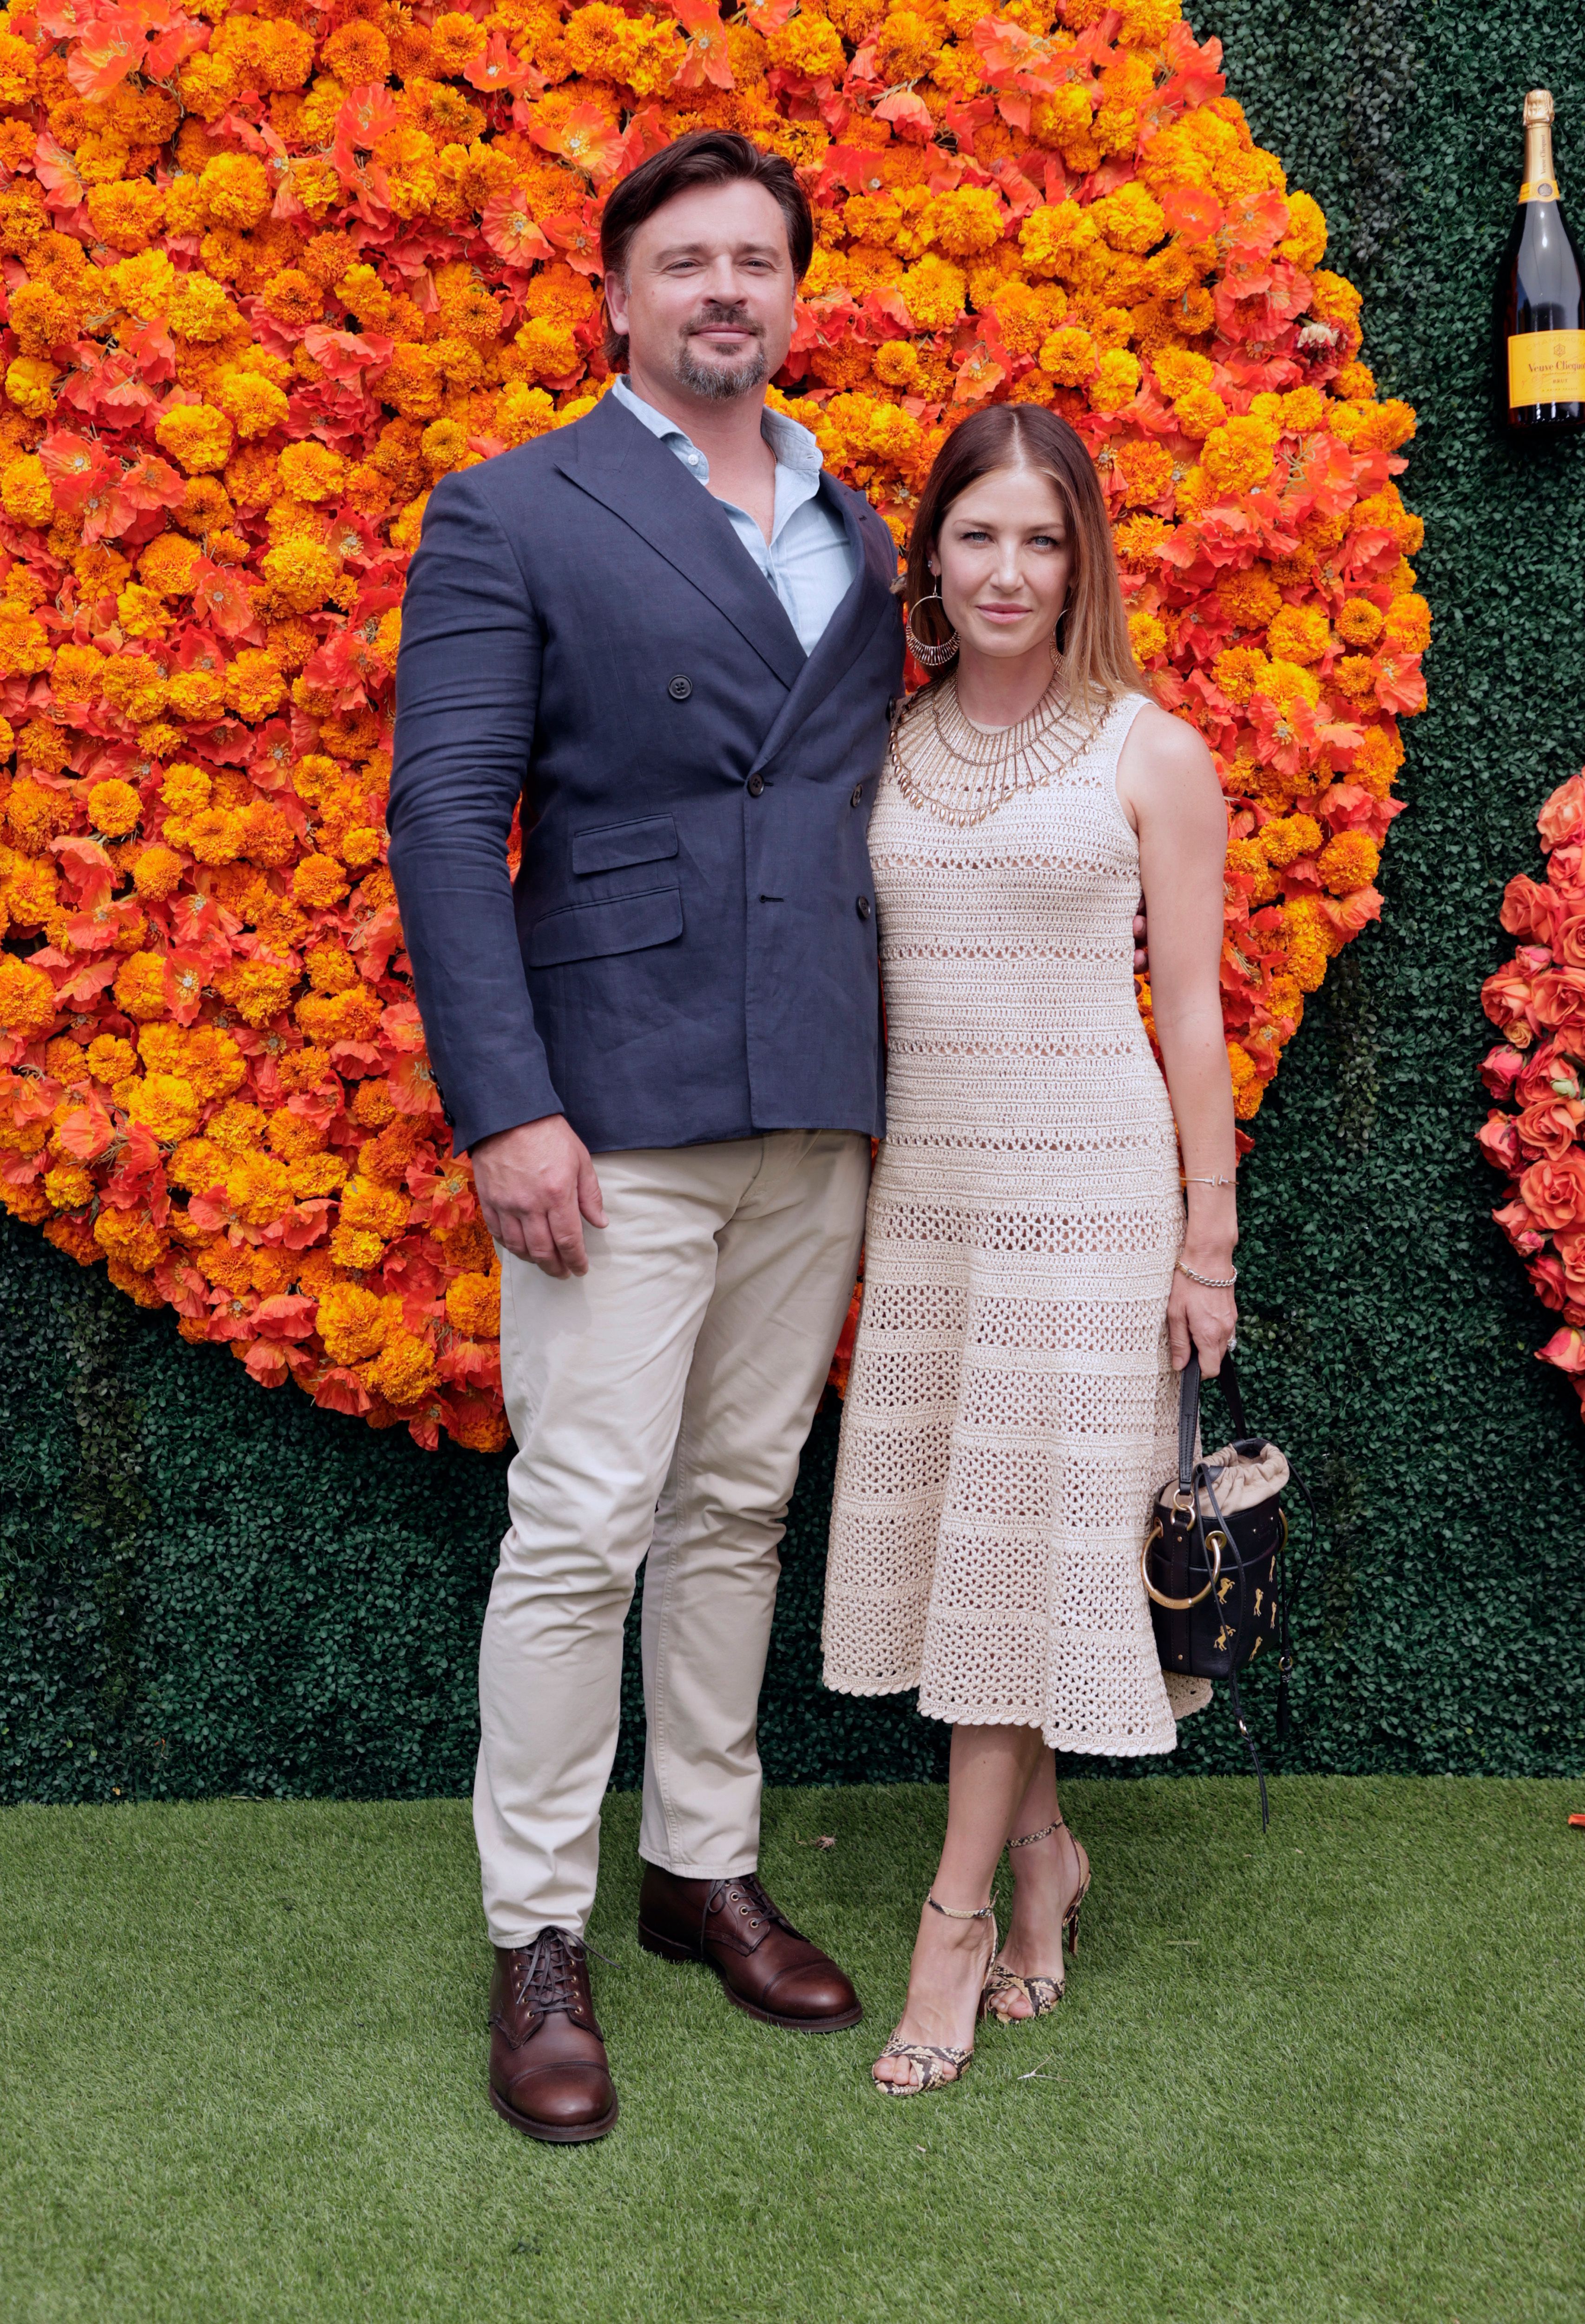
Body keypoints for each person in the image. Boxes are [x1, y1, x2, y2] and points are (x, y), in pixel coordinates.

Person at [388, 131, 906, 2144]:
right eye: (684, 260)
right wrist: (506, 1102)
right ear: (611, 295)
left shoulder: (859, 527)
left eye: (754, 262)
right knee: (585, 1516)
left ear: (794, 296)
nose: (721, 290)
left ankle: (701, 1865)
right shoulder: (511, 509)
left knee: (737, 1503)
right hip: (608, 1096)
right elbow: (447, 819)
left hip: (814, 1092)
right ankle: (538, 1931)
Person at [820, 403, 1238, 2096]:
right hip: (930, 1204)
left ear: (1083, 567)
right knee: (993, 1540)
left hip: (1093, 1200)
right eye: (977, 536)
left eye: (1041, 540)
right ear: (931, 557)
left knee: (1016, 1547)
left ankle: (956, 1921)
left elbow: (1194, 1012)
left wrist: (1206, 1246)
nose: (1007, 569)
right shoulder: (886, 747)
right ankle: (1049, 1860)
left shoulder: (1151, 751)